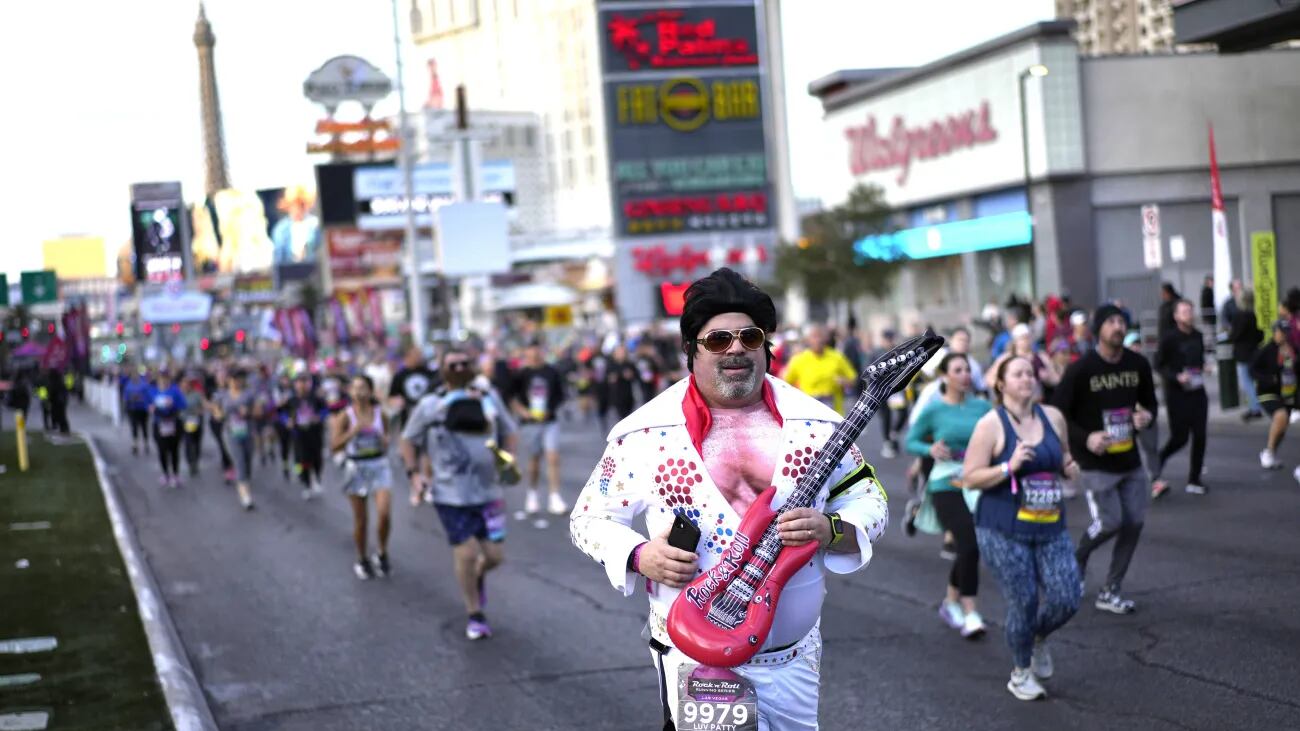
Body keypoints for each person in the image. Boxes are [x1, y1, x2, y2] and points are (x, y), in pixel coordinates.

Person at [570, 268, 889, 729]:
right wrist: (639, 555)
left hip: (792, 659)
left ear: (766, 347)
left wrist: (833, 529)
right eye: (717, 340)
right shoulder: (644, 432)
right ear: (691, 351)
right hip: (693, 656)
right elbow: (588, 519)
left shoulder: (818, 425)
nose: (736, 348)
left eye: (749, 336)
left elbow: (870, 499)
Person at [963, 355, 1082, 701]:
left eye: (1030, 373)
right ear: (1001, 384)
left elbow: (1063, 457)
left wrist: (1069, 467)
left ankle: (1038, 636)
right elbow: (969, 477)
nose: (1027, 379)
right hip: (1002, 528)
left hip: (1049, 524)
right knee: (1025, 601)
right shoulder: (991, 425)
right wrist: (1007, 467)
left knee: (1068, 596)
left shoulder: (1053, 417)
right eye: (1018, 374)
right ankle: (1021, 671)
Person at [402, 350, 517, 639]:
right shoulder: (431, 405)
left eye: (465, 363)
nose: (459, 367)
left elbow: (510, 431)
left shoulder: (489, 399)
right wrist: (414, 473)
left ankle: (475, 578)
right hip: (449, 493)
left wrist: (508, 460)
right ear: (442, 369)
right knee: (466, 552)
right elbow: (407, 440)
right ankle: (474, 613)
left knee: (494, 557)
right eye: (452, 364)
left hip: (489, 492)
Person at [1052, 305, 1158, 615]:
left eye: (1121, 322)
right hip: (1095, 460)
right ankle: (1077, 561)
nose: (1118, 327)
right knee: (1111, 521)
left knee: (1134, 523)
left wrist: (1146, 416)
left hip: (1129, 457)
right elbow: (1059, 412)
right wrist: (1086, 439)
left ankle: (1111, 589)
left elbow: (1150, 403)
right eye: (1111, 321)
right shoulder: (1081, 369)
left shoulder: (1137, 364)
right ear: (1098, 329)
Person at [905, 352, 992, 639]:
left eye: (968, 369)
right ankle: (970, 612)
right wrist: (928, 451)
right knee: (967, 543)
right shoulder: (934, 409)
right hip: (945, 482)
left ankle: (950, 602)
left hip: (977, 479)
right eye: (958, 370)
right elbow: (912, 440)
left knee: (972, 545)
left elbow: (999, 434)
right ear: (945, 376)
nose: (965, 375)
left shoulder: (982, 407)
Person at [330, 375, 394, 580]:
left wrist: (385, 440)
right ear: (350, 392)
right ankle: (362, 558)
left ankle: (382, 552)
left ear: (371, 391)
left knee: (384, 514)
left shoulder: (379, 414)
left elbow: (387, 440)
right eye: (355, 388)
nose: (359, 392)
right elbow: (334, 445)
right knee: (362, 520)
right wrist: (353, 432)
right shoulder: (346, 416)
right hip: (356, 467)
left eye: (363, 388)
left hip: (378, 465)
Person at [1153, 299, 1210, 496]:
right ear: (1176, 316)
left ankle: (1194, 479)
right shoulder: (1169, 338)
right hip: (1177, 395)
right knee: (1180, 438)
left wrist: (1204, 368)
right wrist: (1176, 377)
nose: (1189, 314)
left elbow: (1199, 360)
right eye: (1184, 311)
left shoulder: (1198, 336)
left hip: (1197, 391)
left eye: (1190, 311)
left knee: (1200, 435)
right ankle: (1159, 459)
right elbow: (1158, 365)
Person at [508, 342, 569, 525]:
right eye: (530, 352)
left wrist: (552, 409)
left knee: (553, 457)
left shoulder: (551, 371)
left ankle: (554, 496)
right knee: (534, 461)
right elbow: (512, 397)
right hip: (529, 423)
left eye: (537, 351)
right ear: (526, 353)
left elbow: (560, 394)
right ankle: (532, 494)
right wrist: (522, 411)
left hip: (549, 421)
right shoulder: (521, 374)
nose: (534, 355)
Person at [1253, 320, 1299, 481]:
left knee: (1283, 425)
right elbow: (1254, 370)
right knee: (1281, 417)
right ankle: (1268, 453)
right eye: (1282, 331)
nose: (1284, 335)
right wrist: (1269, 378)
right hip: (1268, 392)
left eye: (1287, 332)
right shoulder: (1266, 349)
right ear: (1275, 332)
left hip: (1287, 392)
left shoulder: (1292, 348)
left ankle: (1270, 453)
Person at [210, 369, 262, 510]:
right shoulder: (222, 396)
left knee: (247, 462)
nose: (236, 382)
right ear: (228, 380)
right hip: (231, 434)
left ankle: (245, 483)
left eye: (239, 379)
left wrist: (248, 412)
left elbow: (258, 412)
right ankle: (246, 498)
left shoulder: (249, 395)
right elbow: (215, 412)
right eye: (233, 379)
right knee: (239, 463)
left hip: (247, 433)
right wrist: (219, 414)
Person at [781, 324, 858, 415]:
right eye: (814, 337)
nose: (818, 340)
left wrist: (844, 381)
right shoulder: (799, 359)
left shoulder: (837, 357)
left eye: (820, 336)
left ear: (826, 339)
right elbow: (784, 383)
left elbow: (853, 379)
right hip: (810, 414)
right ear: (808, 340)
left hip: (834, 413)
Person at [286, 371, 327, 499]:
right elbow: (281, 413)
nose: (302, 385)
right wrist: (287, 421)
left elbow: (325, 410)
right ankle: (306, 483)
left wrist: (319, 417)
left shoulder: (316, 398)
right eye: (299, 382)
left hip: (314, 433)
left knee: (317, 458)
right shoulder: (291, 400)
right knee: (302, 460)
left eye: (305, 382)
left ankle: (317, 478)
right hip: (299, 435)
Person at [1228, 289, 1264, 421]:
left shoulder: (1239, 316)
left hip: (1242, 353)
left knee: (1246, 382)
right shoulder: (1252, 315)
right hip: (1253, 352)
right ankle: (1255, 406)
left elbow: (1235, 335)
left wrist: (1230, 335)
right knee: (1251, 380)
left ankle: (1255, 408)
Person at [148, 371, 188, 487]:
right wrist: (152, 408)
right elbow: (148, 404)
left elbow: (183, 405)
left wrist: (173, 404)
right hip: (159, 424)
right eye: (161, 378)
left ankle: (175, 474)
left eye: (166, 378)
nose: (164, 381)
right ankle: (165, 474)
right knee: (162, 450)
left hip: (173, 423)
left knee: (174, 450)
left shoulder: (175, 391)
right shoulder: (153, 391)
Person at [872, 329, 908, 458]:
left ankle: (894, 433)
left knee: (903, 413)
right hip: (882, 388)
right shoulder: (876, 352)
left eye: (891, 338)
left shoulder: (899, 351)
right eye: (887, 339)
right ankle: (888, 442)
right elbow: (868, 369)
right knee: (886, 416)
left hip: (896, 389)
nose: (889, 341)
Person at [389, 346, 438, 429]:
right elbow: (392, 396)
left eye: (420, 354)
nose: (419, 357)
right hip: (408, 416)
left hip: (427, 415)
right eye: (416, 355)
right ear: (408, 357)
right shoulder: (400, 375)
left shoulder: (430, 373)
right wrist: (398, 402)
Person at [179, 375, 207, 478]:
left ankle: (196, 461)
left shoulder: (197, 394)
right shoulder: (179, 395)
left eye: (187, 384)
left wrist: (201, 410)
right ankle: (191, 463)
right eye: (183, 384)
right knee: (188, 443)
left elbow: (203, 405)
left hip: (196, 422)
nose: (185, 386)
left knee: (197, 443)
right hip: (185, 423)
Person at [123, 369, 153, 454]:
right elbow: (125, 397)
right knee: (134, 427)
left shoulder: (144, 385)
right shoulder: (128, 385)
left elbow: (148, 396)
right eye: (133, 375)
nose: (134, 376)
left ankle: (146, 443)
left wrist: (142, 399)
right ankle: (135, 444)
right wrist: (130, 400)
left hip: (142, 409)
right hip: (132, 409)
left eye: (135, 375)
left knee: (144, 427)